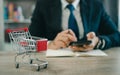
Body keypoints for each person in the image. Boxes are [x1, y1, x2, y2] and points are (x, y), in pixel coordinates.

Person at [29, 0, 120, 51]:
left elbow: (116, 36)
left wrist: (98, 41)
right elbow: (29, 40)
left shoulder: (96, 5)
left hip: (90, 63)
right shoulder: (43, 4)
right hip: (54, 64)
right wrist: (50, 44)